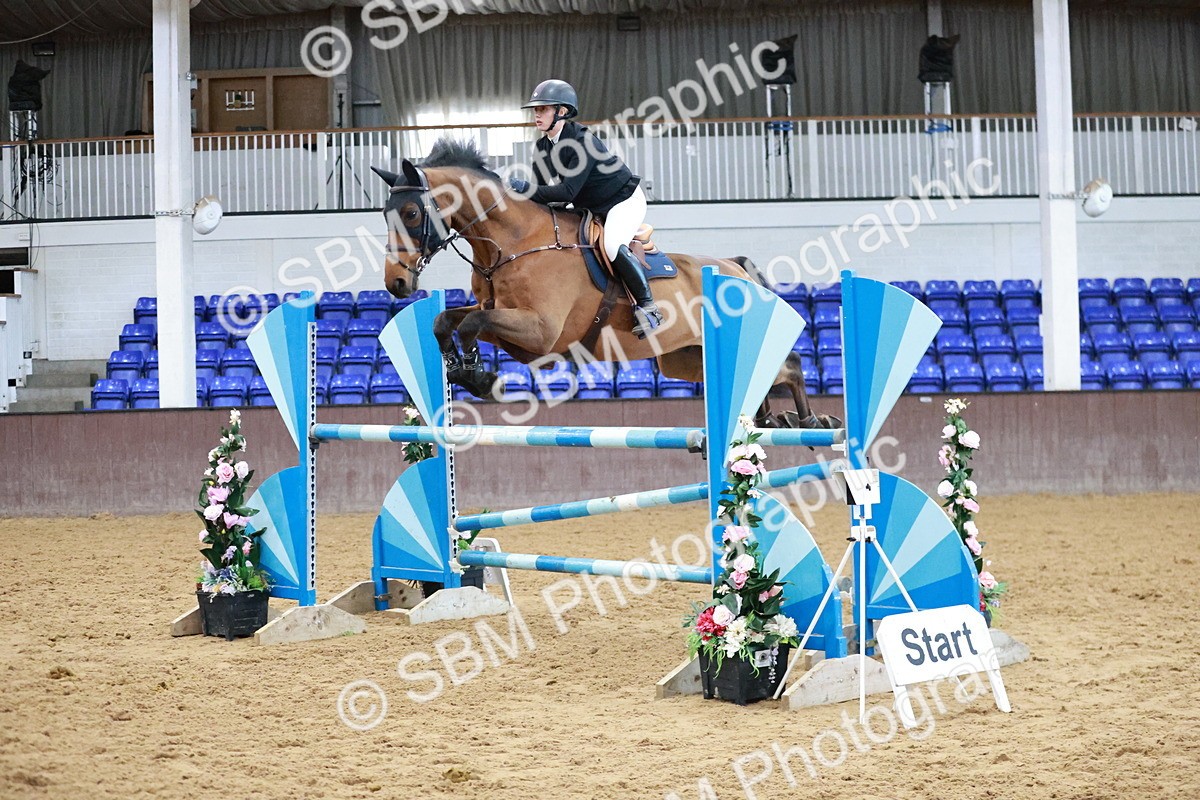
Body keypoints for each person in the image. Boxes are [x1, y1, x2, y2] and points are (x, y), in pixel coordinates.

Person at [509, 79, 662, 338]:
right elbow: (539, 192)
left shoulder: (582, 141)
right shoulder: (542, 147)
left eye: (543, 109)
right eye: (535, 110)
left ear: (563, 112)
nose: (537, 114)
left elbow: (566, 192)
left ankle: (648, 307)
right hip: (590, 205)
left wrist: (523, 188)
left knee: (612, 245)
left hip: (622, 200)